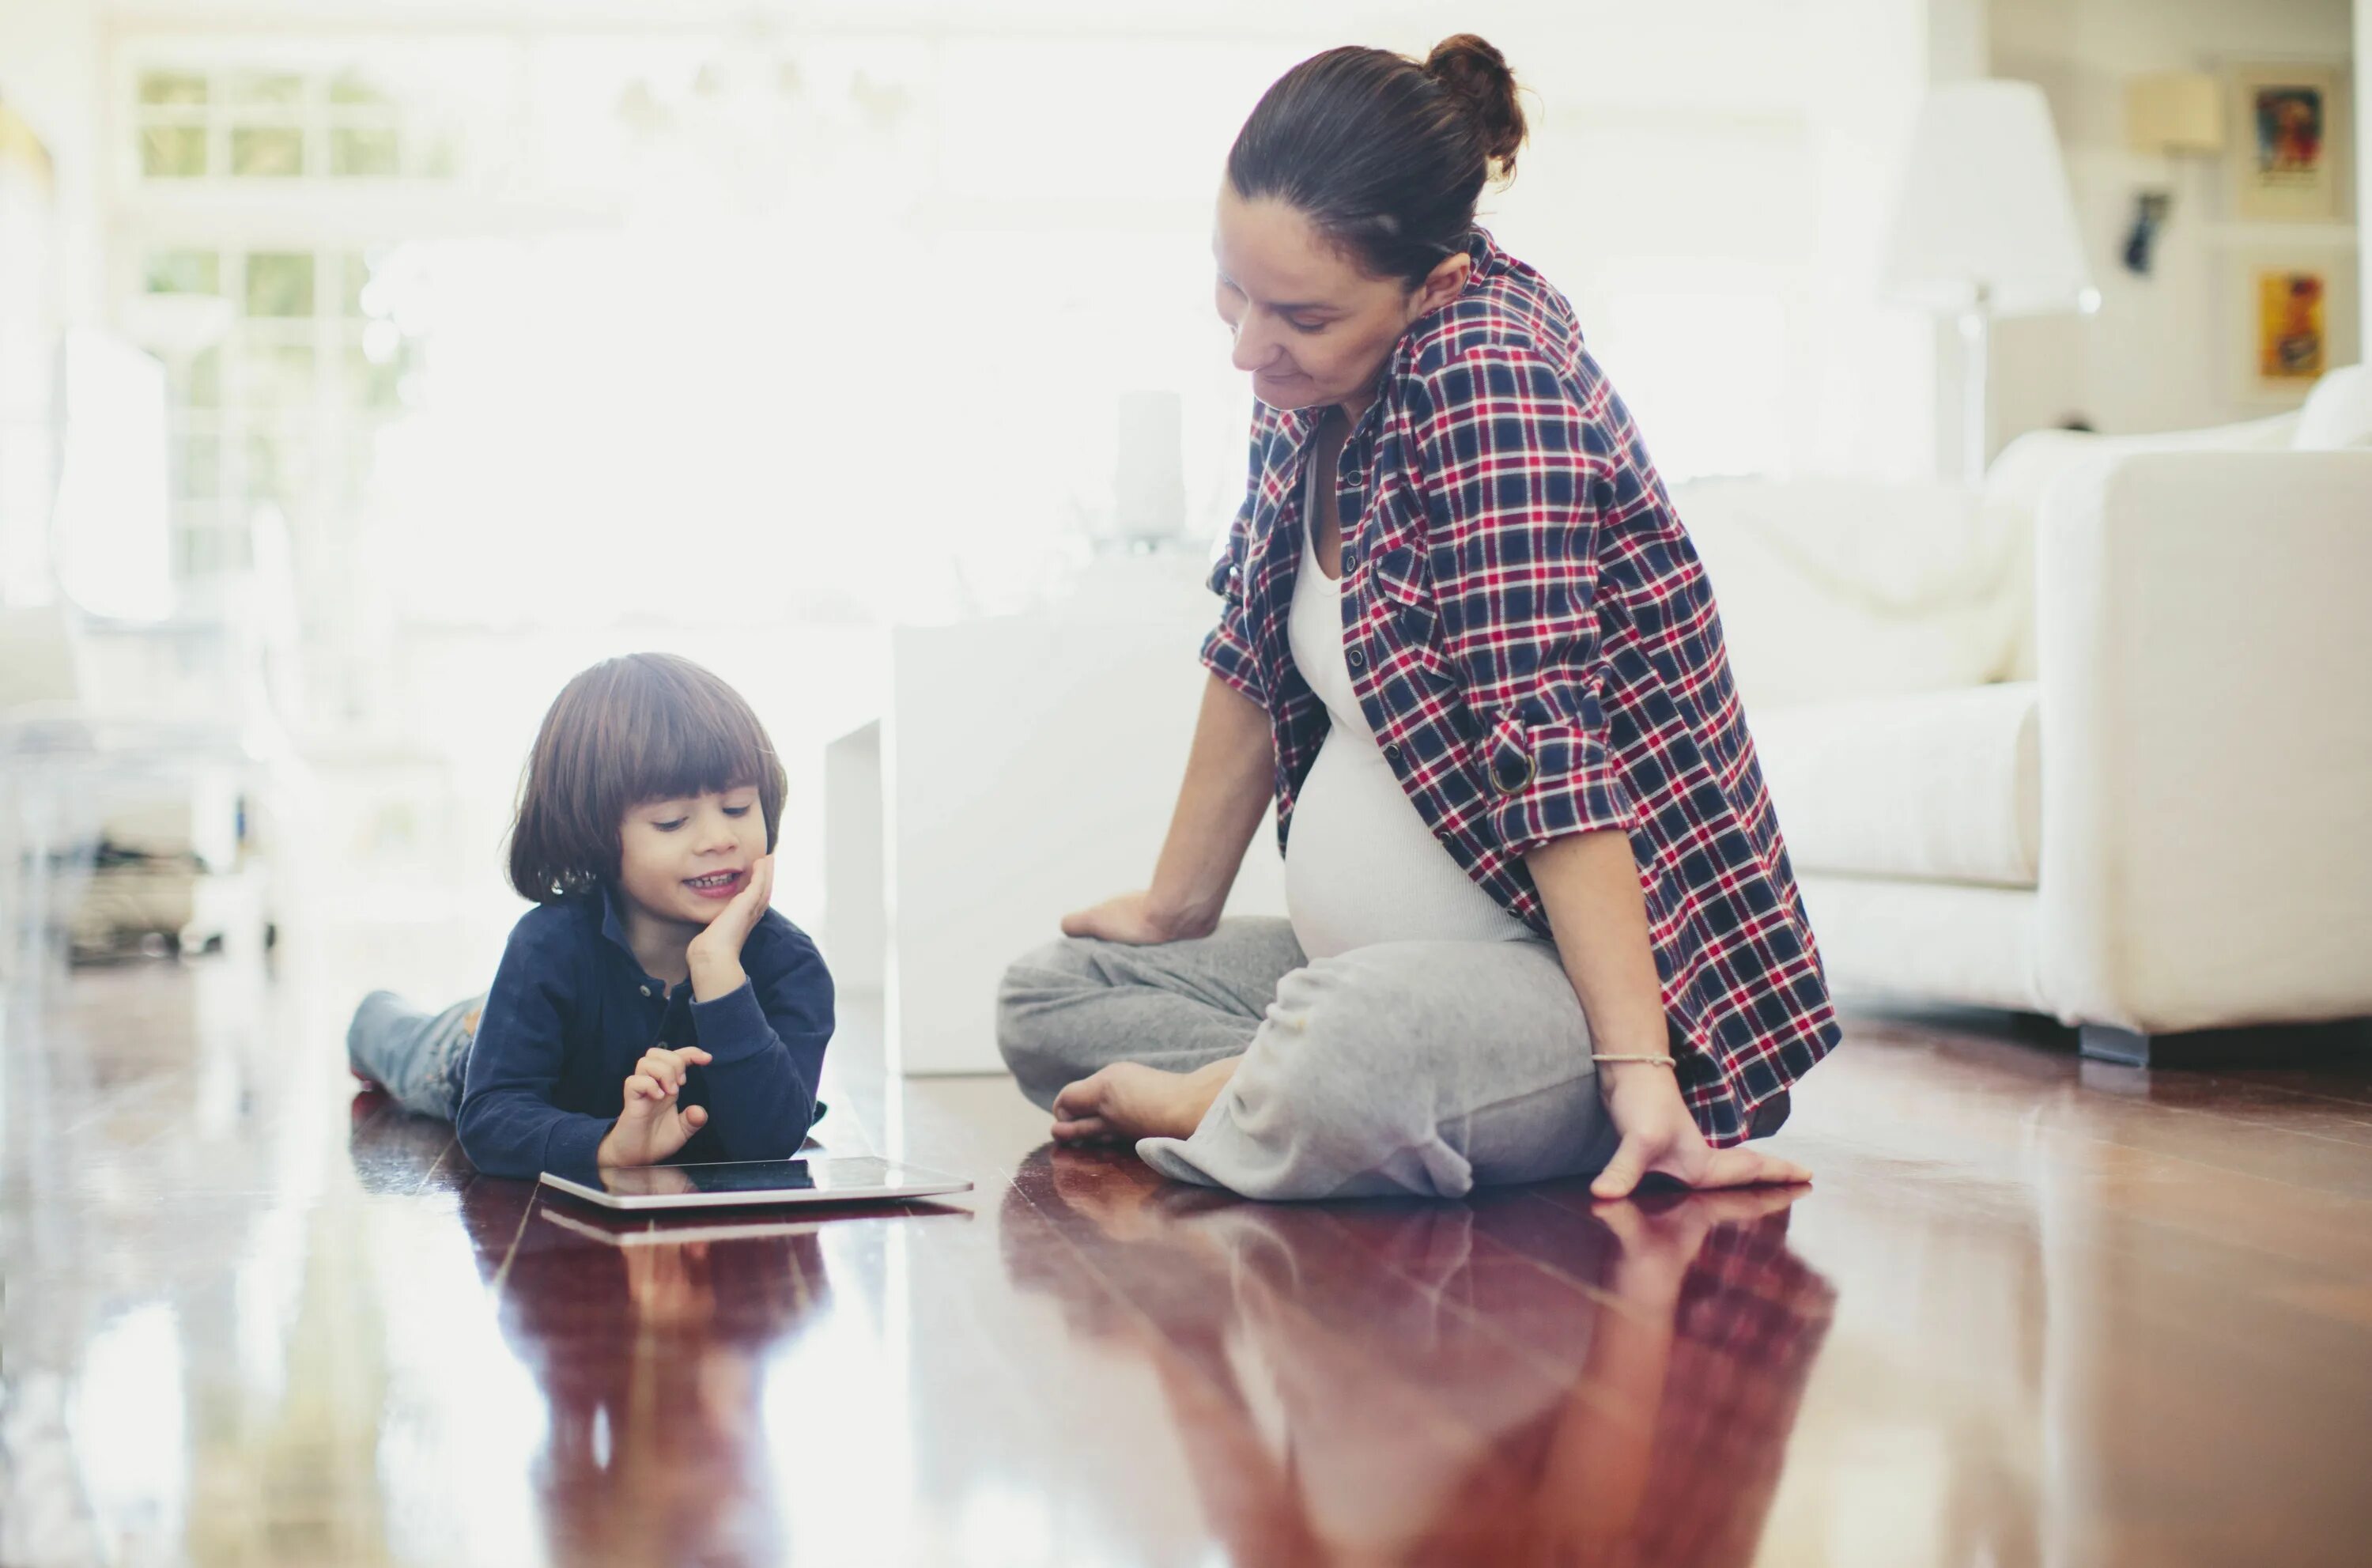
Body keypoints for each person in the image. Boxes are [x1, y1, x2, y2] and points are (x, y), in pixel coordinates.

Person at [997, 36, 1836, 1201]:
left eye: (1293, 312)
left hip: (1574, 991)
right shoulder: (1313, 376)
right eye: (1232, 286)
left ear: (1431, 284)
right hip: (1361, 972)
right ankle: (1273, 1084)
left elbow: (1553, 747)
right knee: (1052, 996)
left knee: (1352, 1049)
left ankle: (1249, 1091)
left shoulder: (1495, 385)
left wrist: (1644, 1073)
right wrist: (1174, 903)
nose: (1247, 346)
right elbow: (1250, 638)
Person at [347, 652, 833, 1179]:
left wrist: (718, 970)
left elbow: (771, 1142)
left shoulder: (793, 966)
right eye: (672, 822)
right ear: (595, 833)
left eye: (738, 808)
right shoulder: (547, 945)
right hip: (469, 1050)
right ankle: (378, 1016)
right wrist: (608, 1146)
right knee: (400, 1040)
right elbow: (491, 1117)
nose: (720, 838)